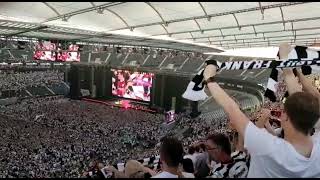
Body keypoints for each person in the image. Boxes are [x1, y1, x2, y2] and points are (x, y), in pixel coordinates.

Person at [202, 42, 320, 177]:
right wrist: (287, 62)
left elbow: (232, 109)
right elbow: (302, 101)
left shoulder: (268, 147)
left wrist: (209, 78)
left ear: (285, 117)